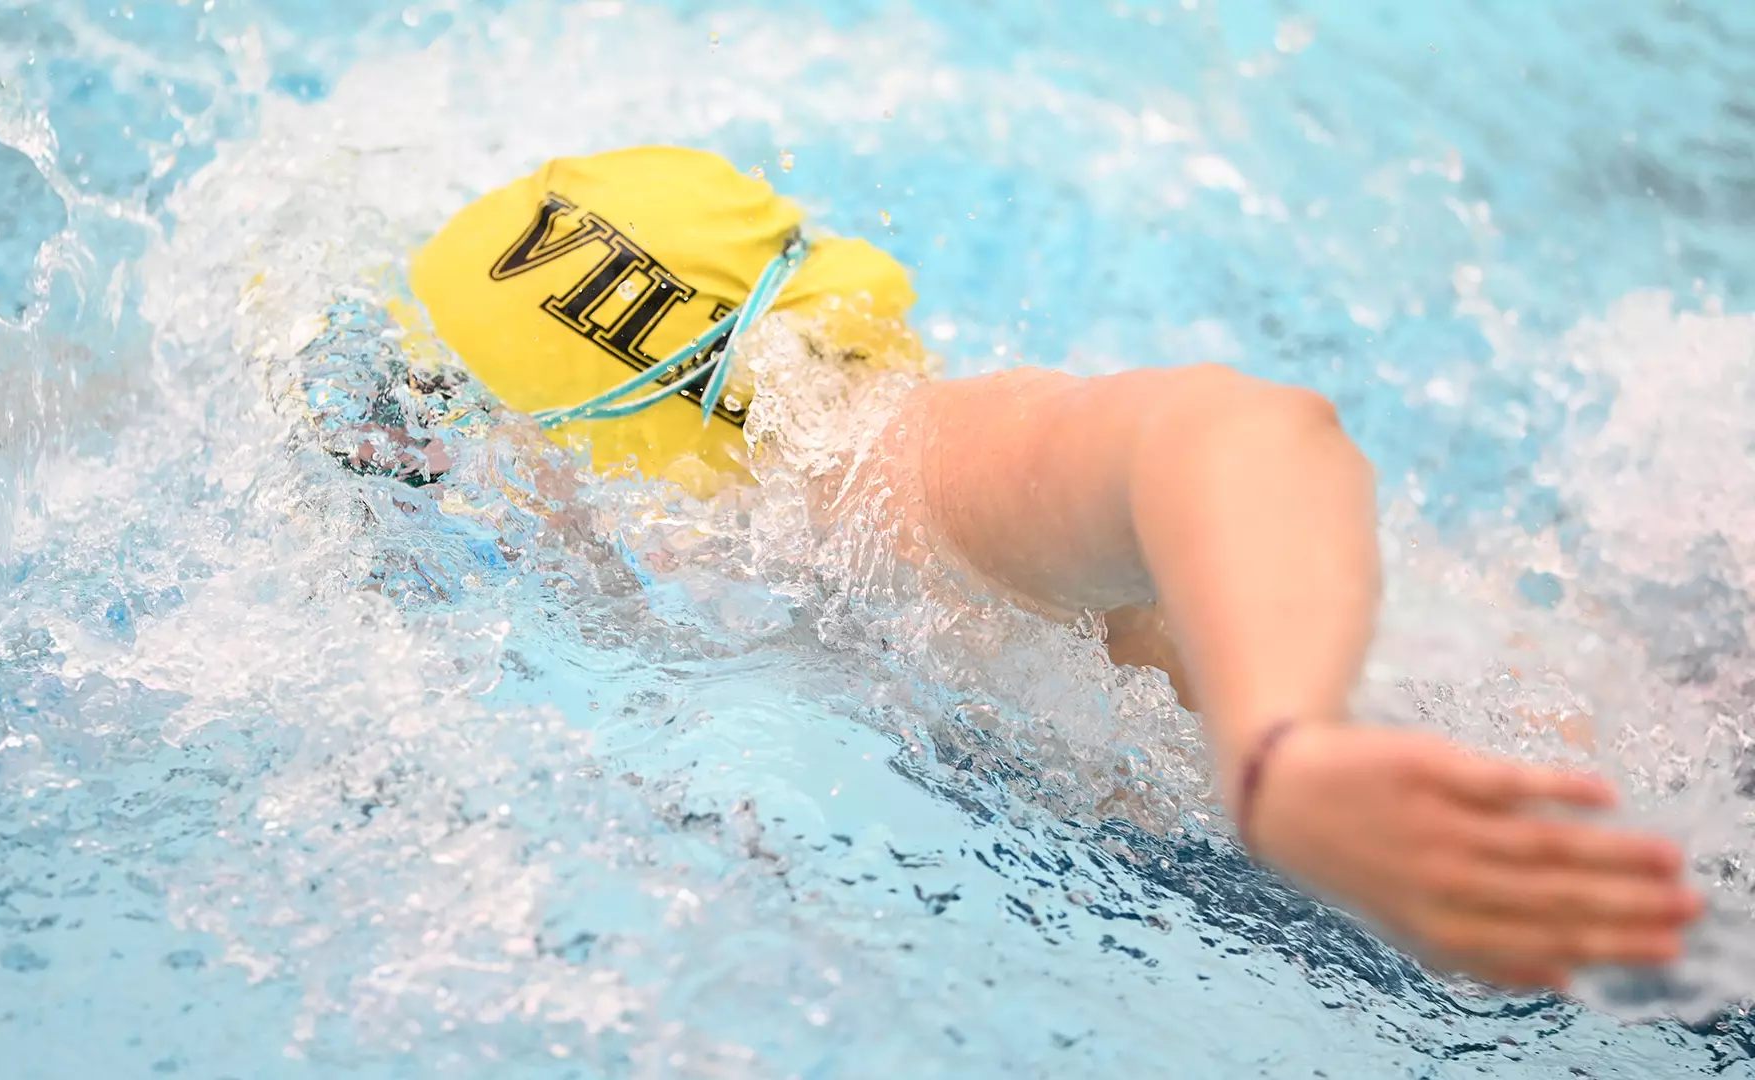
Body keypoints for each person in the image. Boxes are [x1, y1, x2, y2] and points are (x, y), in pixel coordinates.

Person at [385, 145, 1701, 993]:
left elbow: (1240, 434)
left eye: (490, 453)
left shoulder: (889, 475)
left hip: (1661, 843)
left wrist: (1284, 753)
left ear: (611, 459)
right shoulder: (842, 504)